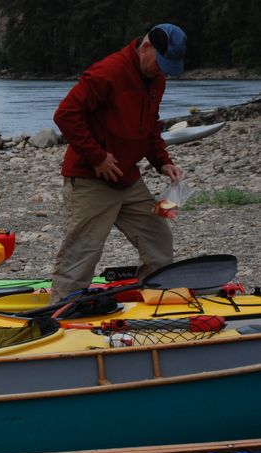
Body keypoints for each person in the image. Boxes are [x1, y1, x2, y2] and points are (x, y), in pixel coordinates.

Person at [50, 23, 187, 303]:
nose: (162, 71)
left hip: (127, 178)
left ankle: (155, 299)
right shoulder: (108, 72)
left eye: (167, 67)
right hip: (91, 179)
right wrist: (97, 157)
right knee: (83, 251)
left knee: (159, 237)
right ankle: (59, 313)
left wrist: (163, 161)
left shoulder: (156, 80)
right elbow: (65, 114)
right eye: (160, 63)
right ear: (145, 47)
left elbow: (150, 126)